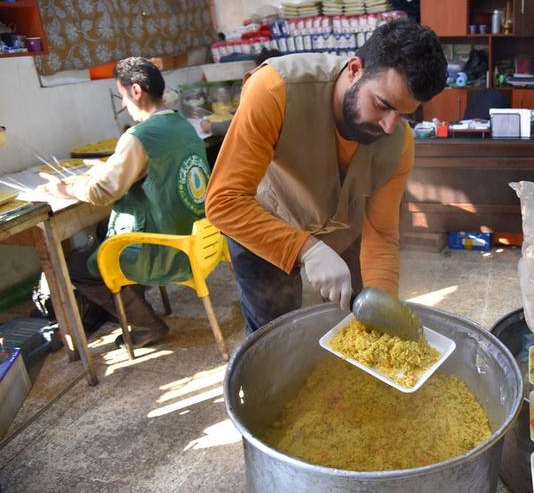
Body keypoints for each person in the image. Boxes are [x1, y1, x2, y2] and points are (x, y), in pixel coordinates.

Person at [205, 19, 447, 334]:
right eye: (382, 105)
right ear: (355, 69)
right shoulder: (275, 89)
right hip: (262, 224)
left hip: (341, 231)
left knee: (356, 322)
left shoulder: (399, 143)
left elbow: (381, 235)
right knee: (275, 333)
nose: (389, 126)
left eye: (403, 115)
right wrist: (307, 249)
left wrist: (383, 313)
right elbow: (224, 202)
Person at [41, 57, 211, 347]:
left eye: (122, 95)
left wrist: (64, 189)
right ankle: (133, 302)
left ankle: (145, 325)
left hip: (164, 248)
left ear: (135, 91)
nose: (123, 104)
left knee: (76, 268)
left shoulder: (138, 136)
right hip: (198, 239)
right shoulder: (182, 126)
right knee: (105, 230)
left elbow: (103, 191)